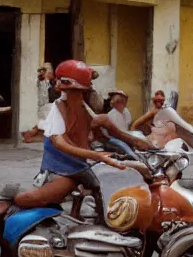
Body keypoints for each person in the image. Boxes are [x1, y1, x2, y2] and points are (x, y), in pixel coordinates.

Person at [12, 60, 150, 213]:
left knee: (139, 172)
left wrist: (143, 144)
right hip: (64, 169)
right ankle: (4, 201)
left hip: (85, 165)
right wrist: (100, 157)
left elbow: (118, 135)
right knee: (28, 198)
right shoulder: (58, 108)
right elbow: (60, 143)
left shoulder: (90, 112)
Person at [22, 64, 55, 143]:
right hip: (40, 108)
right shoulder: (40, 80)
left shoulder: (49, 82)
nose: (46, 72)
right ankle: (32, 132)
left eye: (46, 70)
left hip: (44, 107)